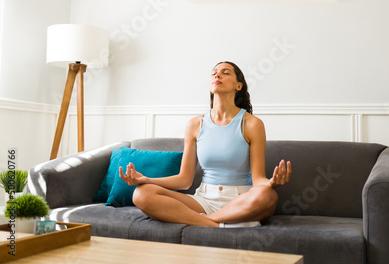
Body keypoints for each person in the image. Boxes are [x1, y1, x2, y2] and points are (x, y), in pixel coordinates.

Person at [119, 61, 292, 227]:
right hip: (203, 200)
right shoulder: (195, 124)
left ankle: (205, 220)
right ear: (210, 84)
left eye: (226, 73)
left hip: (240, 199)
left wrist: (271, 184)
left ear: (238, 86)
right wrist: (147, 179)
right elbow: (184, 180)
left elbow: (258, 179)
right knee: (142, 193)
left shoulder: (252, 124)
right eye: (214, 73)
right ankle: (219, 225)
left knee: (267, 196)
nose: (218, 75)